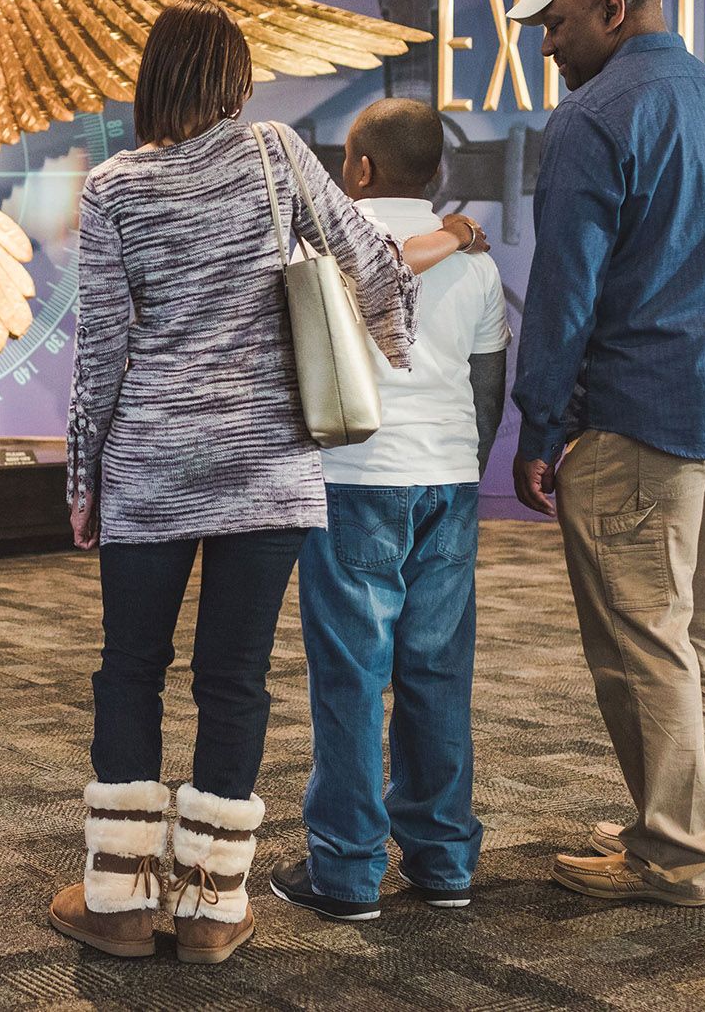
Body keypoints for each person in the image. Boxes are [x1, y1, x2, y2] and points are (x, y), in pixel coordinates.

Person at [48, 0, 486, 965]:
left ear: (153, 83)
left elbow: (102, 357)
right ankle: (211, 910)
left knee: (131, 668)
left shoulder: (117, 188)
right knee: (232, 679)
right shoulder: (276, 154)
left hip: (152, 470)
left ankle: (119, 901)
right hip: (266, 473)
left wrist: (85, 480)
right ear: (236, 86)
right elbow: (370, 264)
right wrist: (397, 341)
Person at [506, 0, 705, 907]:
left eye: (556, 22)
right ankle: (697, 826)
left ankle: (670, 853)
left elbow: (561, 296)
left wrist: (538, 426)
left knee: (643, 640)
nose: (546, 44)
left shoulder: (591, 118)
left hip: (638, 417)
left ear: (612, 11)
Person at [266, 97, 507, 922]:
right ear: (435, 172)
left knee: (351, 678)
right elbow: (488, 386)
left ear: (358, 169)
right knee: (438, 673)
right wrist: (457, 468)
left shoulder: (316, 246)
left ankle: (346, 869)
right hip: (447, 481)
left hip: (350, 481)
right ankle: (443, 862)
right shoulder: (475, 263)